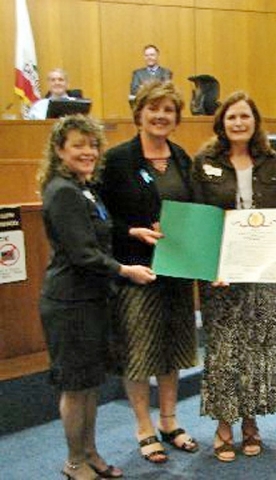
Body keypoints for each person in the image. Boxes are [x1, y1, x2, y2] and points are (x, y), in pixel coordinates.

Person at [38, 115, 156, 480]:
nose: (87, 152)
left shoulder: (84, 187)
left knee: (89, 384)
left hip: (92, 300)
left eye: (92, 145)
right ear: (60, 150)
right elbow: (83, 254)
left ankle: (89, 452)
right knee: (75, 387)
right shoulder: (63, 191)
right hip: (69, 303)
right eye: (78, 145)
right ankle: (74, 461)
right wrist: (126, 270)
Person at [99, 81, 199, 464]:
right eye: (153, 108)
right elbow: (101, 216)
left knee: (172, 348)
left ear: (176, 117)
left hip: (176, 268)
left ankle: (170, 422)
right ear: (138, 113)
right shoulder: (118, 159)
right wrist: (130, 230)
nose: (161, 116)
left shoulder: (180, 157)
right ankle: (144, 427)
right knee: (139, 351)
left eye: (168, 110)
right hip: (136, 269)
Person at [193, 91, 276, 462]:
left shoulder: (273, 162)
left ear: (255, 122)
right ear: (222, 123)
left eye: (245, 117)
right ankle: (224, 425)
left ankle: (250, 422)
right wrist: (209, 265)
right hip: (220, 273)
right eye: (232, 117)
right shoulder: (204, 162)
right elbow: (200, 216)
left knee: (257, 348)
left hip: (262, 271)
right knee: (222, 350)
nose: (238, 123)